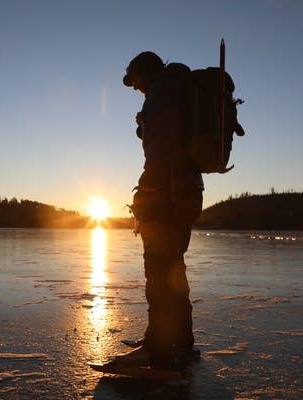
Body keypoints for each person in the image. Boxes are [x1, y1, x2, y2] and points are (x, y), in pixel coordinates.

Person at [119, 51, 204, 369]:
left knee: (158, 273)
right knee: (173, 271)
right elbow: (171, 142)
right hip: (187, 193)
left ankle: (158, 347)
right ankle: (180, 343)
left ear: (144, 73)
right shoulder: (178, 89)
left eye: (134, 81)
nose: (135, 88)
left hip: (166, 195)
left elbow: (161, 156)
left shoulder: (160, 94)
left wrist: (145, 197)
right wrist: (145, 129)